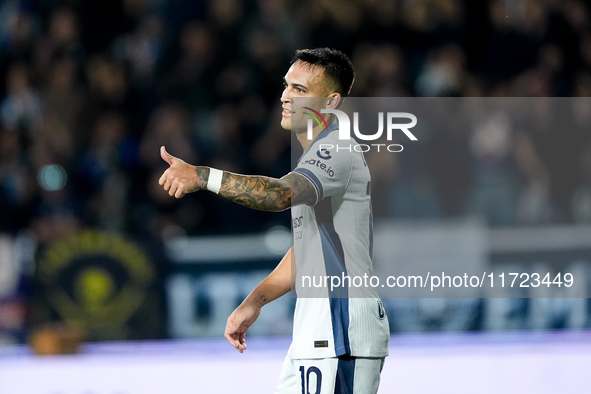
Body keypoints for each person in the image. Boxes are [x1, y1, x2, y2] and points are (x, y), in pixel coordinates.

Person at [158, 48, 389, 394]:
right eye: (286, 86)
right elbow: (308, 253)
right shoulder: (314, 157)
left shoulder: (337, 150)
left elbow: (279, 195)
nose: (285, 96)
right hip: (315, 336)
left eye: (300, 90)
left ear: (330, 102)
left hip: (343, 333)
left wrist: (203, 176)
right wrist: (255, 301)